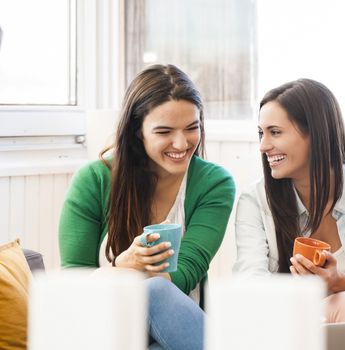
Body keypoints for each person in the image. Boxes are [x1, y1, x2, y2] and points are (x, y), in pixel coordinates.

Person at [59, 64, 236, 349]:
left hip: (172, 331)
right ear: (137, 132)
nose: (181, 143)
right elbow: (76, 285)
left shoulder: (214, 183)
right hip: (104, 330)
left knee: (156, 295)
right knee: (151, 289)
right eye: (164, 131)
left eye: (192, 128)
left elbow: (184, 275)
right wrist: (123, 265)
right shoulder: (93, 180)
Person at [233, 79, 345, 322]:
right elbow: (252, 286)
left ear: (316, 133)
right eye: (261, 133)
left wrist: (337, 282)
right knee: (343, 303)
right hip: (287, 328)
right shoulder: (255, 201)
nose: (263, 146)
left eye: (275, 132)